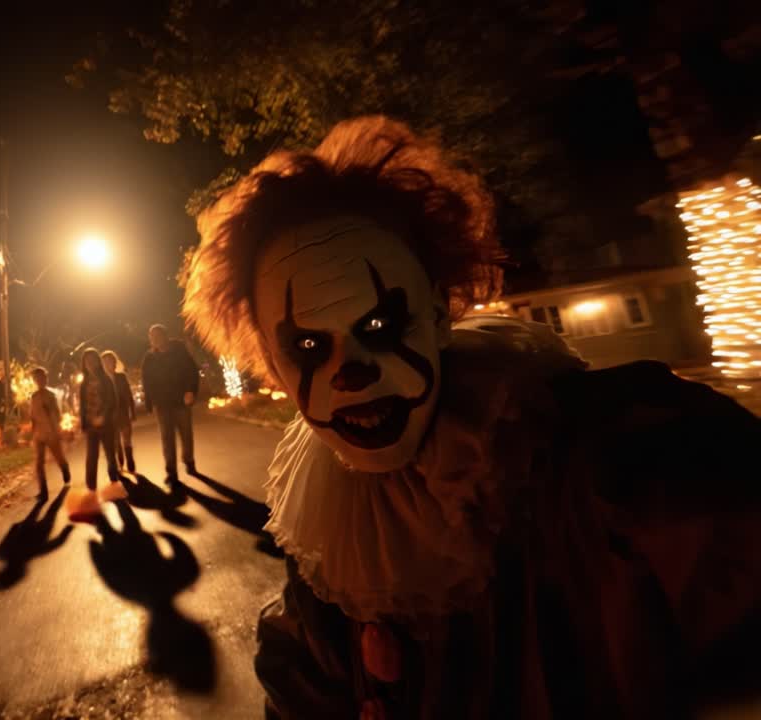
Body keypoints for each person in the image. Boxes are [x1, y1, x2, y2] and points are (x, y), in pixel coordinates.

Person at [182, 115, 761, 718]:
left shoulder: (618, 455)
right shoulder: (325, 544)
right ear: (272, 365)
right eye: (307, 346)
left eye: (378, 325)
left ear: (438, 314)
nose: (348, 375)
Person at [140, 324, 200, 481]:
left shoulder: (179, 350)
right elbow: (146, 381)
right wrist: (149, 401)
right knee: (167, 438)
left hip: (181, 401)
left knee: (186, 434)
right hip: (162, 404)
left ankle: (189, 461)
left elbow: (191, 371)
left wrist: (191, 391)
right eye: (152, 337)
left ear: (165, 336)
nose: (155, 339)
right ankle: (171, 471)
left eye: (158, 335)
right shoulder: (149, 358)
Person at [78, 348, 121, 490]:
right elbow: (82, 404)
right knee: (91, 457)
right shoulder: (84, 383)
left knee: (110, 454)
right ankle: (91, 488)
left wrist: (104, 416)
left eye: (93, 360)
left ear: (98, 362)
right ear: (84, 364)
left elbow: (112, 400)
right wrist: (84, 423)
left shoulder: (105, 379)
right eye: (87, 361)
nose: (90, 363)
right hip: (91, 425)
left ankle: (114, 481)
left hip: (106, 423)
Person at [28, 366, 70, 496]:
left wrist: (56, 429)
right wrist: (32, 431)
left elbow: (57, 415)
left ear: (45, 379)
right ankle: (43, 490)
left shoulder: (51, 396)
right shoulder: (34, 397)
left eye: (41, 378)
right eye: (36, 379)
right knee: (39, 463)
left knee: (58, 457)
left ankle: (65, 469)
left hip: (51, 432)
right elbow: (32, 415)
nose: (39, 381)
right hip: (39, 434)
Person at [101, 350, 137, 473]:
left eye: (110, 361)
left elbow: (128, 395)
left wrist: (132, 411)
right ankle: (120, 458)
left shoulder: (121, 377)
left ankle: (129, 458)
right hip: (110, 416)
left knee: (127, 438)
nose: (108, 364)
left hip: (123, 412)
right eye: (105, 362)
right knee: (116, 441)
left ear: (115, 363)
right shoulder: (101, 381)